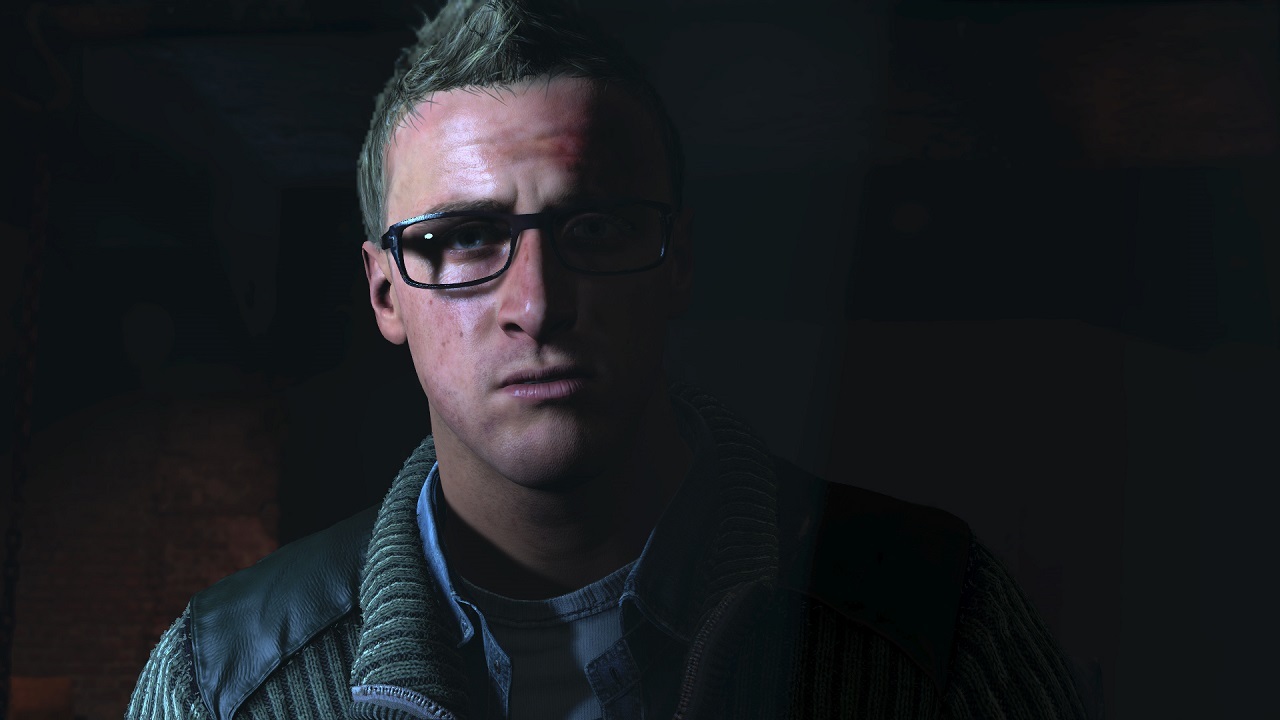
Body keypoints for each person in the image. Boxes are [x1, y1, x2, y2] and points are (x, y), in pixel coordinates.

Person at [127, 1, 1089, 718]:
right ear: (386, 294)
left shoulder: (936, 618)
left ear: (680, 261)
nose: (537, 305)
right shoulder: (221, 682)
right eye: (463, 238)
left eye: (594, 227)